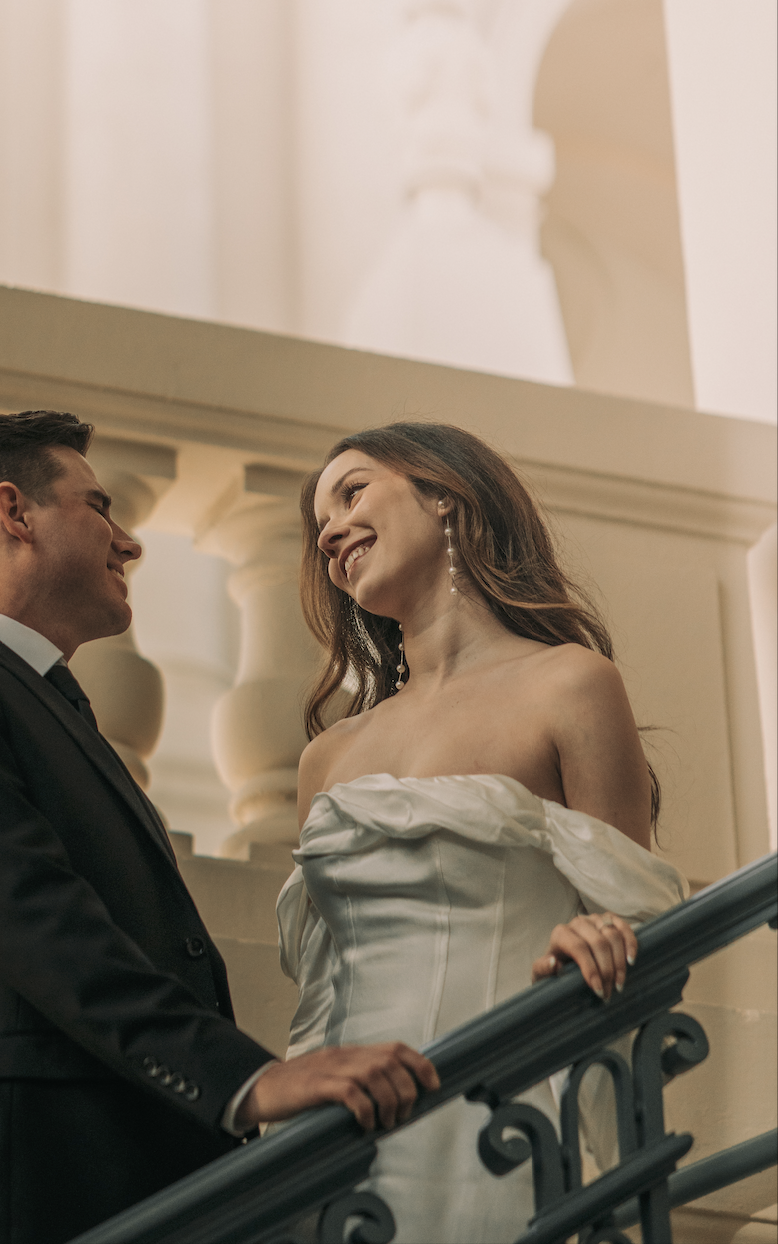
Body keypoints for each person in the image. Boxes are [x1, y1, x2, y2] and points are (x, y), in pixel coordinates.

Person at [0, 409, 439, 1244]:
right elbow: (32, 912)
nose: (130, 543)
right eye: (100, 508)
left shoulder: (64, 715)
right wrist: (246, 1082)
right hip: (29, 1178)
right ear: (14, 514)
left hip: (151, 1182)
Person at [279, 422, 688, 1241]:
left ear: (443, 495)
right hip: (336, 1140)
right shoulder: (326, 758)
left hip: (507, 1116)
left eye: (352, 491)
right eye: (319, 528)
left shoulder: (569, 684)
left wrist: (600, 935)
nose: (328, 534)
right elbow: (317, 997)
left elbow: (638, 909)